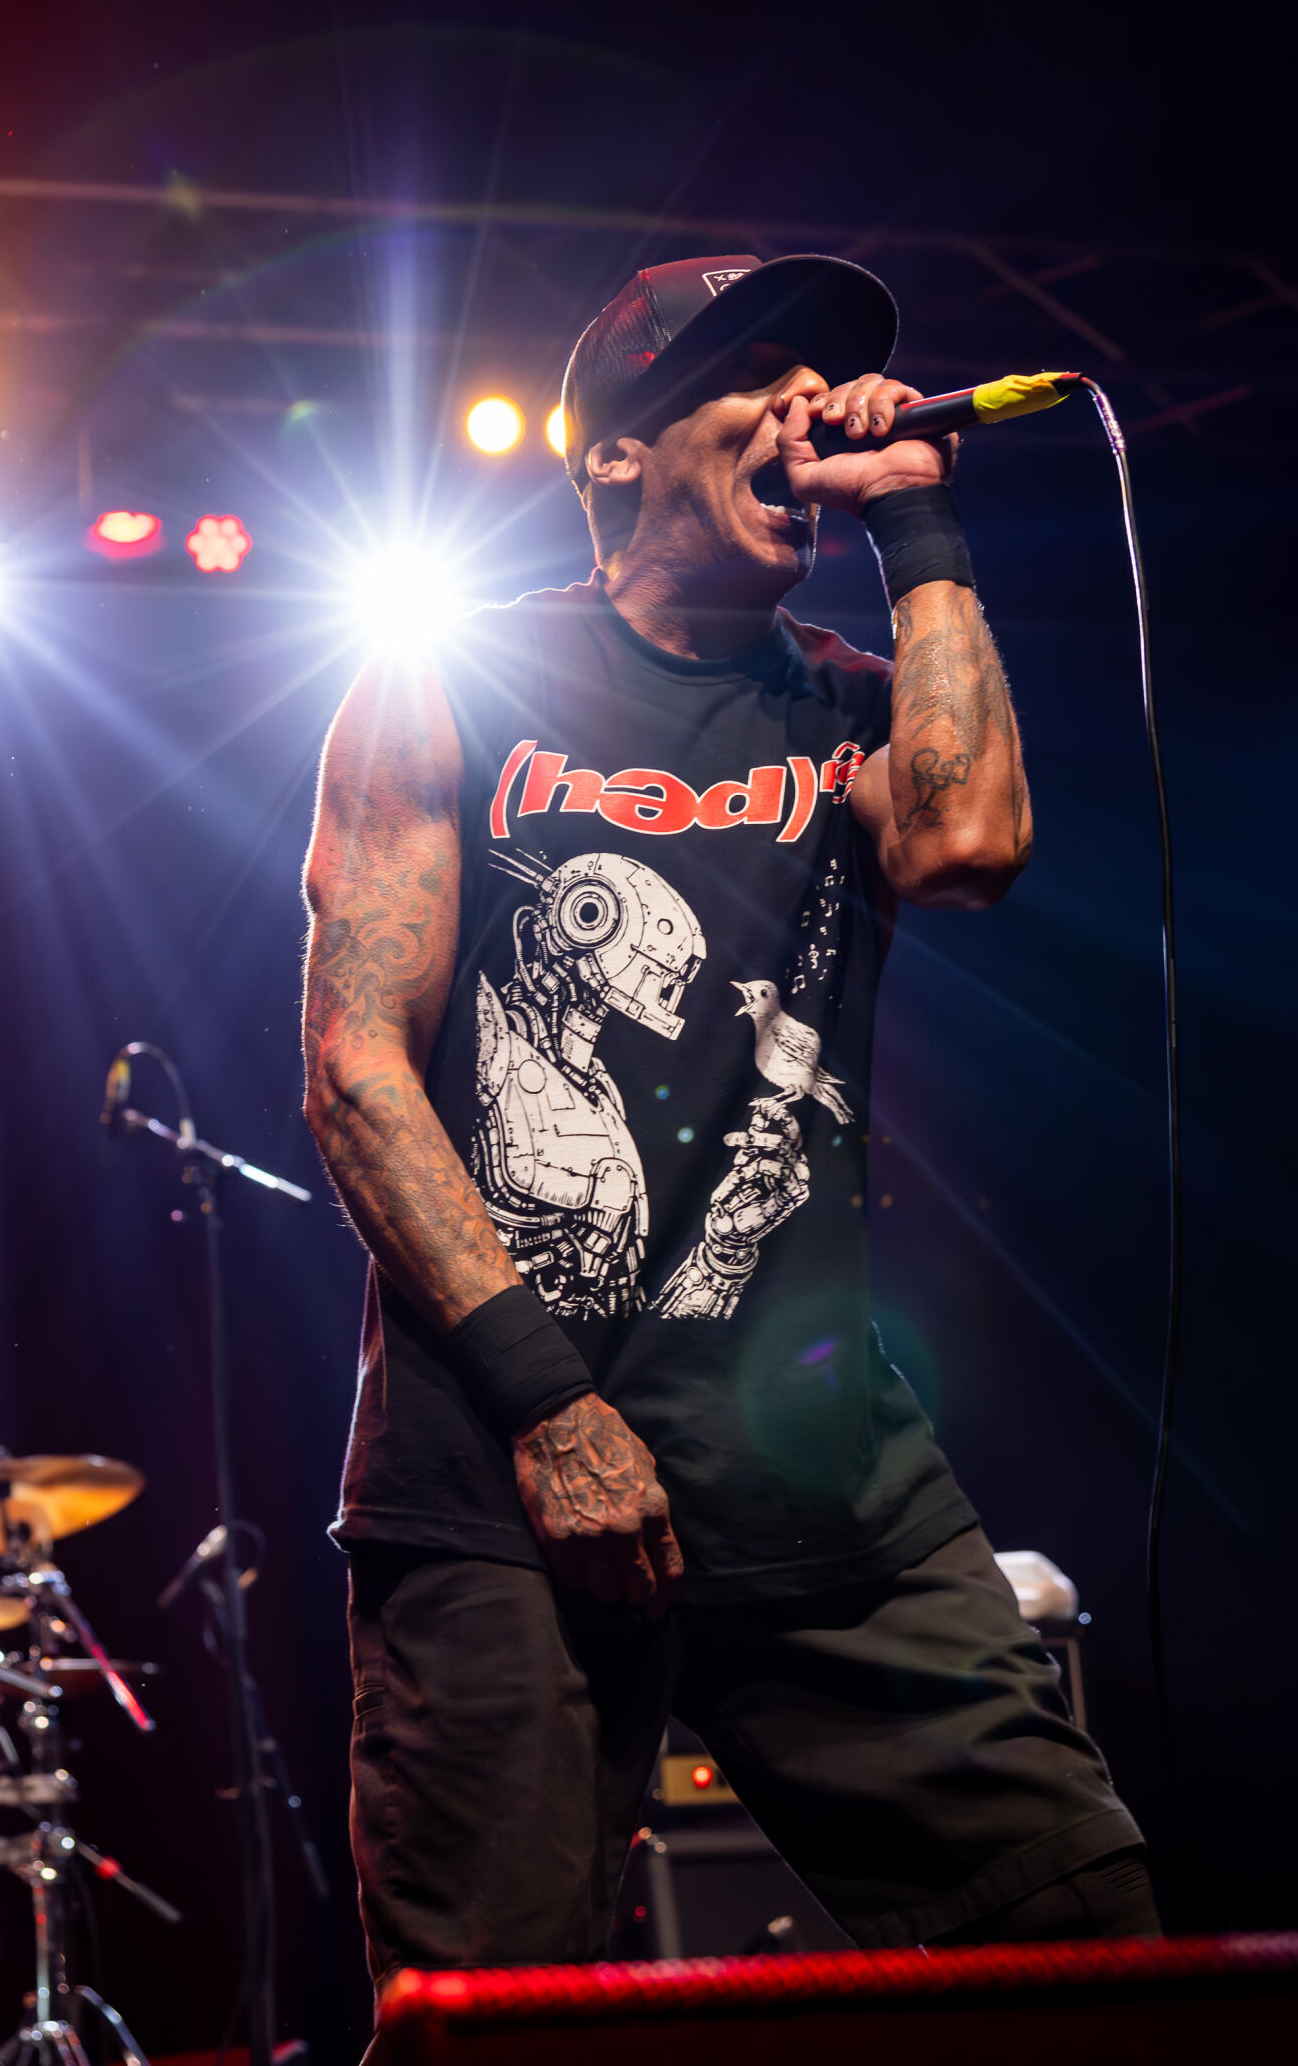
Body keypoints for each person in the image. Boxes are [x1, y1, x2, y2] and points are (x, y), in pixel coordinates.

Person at [301, 255, 1157, 1993]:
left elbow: (969, 844)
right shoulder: (450, 680)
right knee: (497, 2024)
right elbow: (355, 1069)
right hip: (505, 1481)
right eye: (756, 375)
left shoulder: (854, 697)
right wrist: (552, 1409)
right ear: (616, 452)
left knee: (1092, 1962)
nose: (808, 407)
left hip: (822, 1468)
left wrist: (919, 521)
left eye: (819, 377)